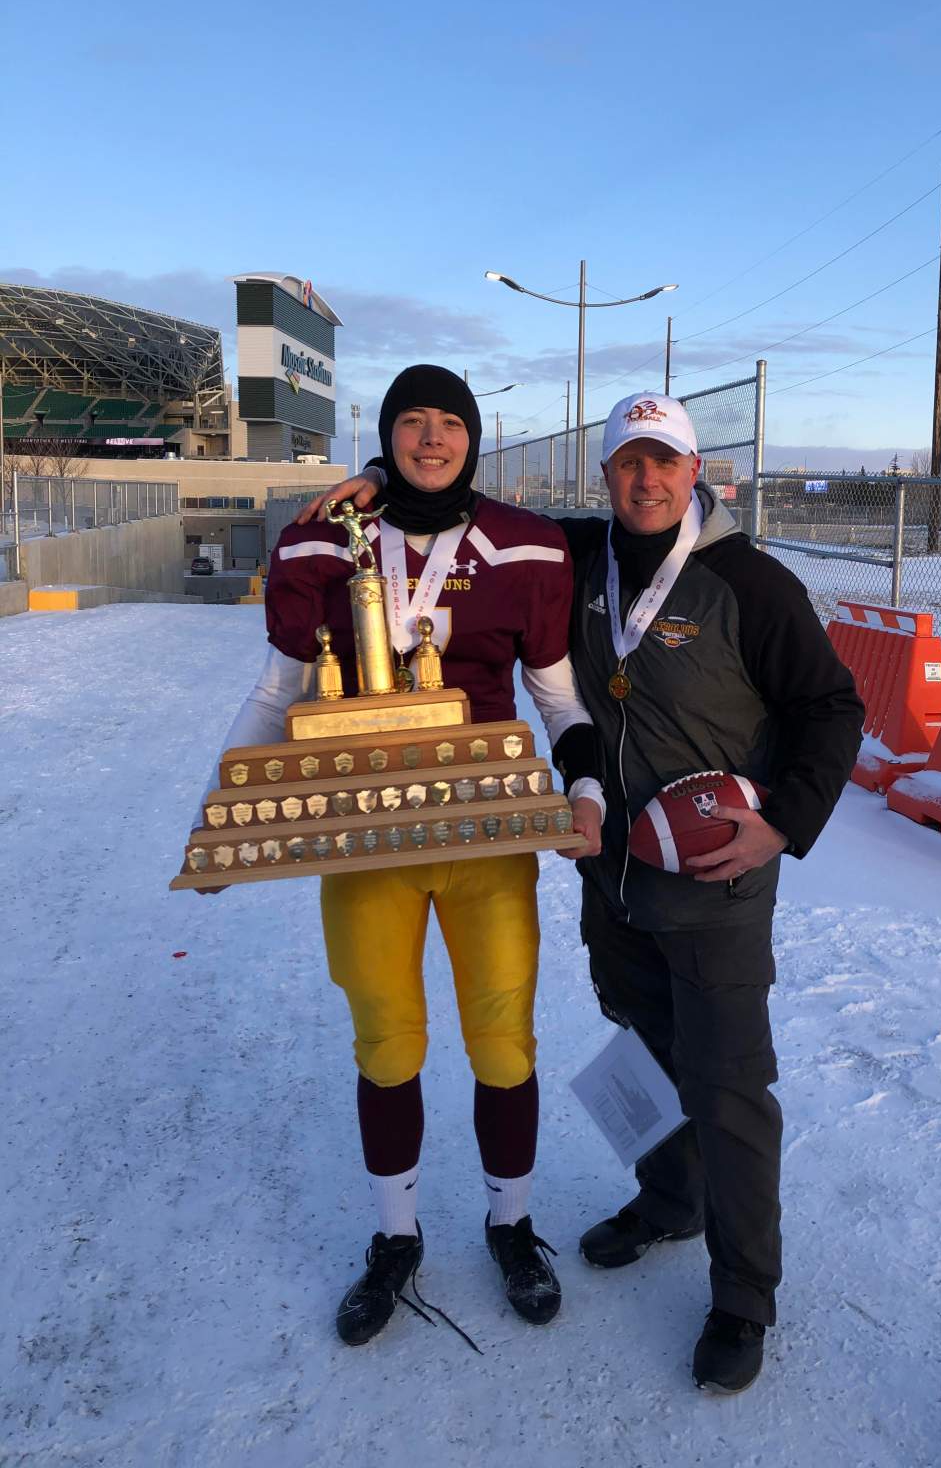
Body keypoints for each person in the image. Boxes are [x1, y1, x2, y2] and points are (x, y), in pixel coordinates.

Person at [309, 389, 863, 1392]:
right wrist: (387, 479)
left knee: (728, 1084)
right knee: (640, 1048)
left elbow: (832, 705)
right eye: (626, 463)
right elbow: (458, 503)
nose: (644, 480)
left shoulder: (751, 583)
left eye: (663, 461)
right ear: (605, 475)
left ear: (697, 472)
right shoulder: (575, 555)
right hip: (612, 876)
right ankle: (667, 1197)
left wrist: (784, 822)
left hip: (714, 880)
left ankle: (743, 1295)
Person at [197, 365, 602, 1347]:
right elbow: (278, 685)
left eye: (448, 422)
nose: (431, 439)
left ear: (473, 435)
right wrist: (222, 806)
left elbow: (556, 695)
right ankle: (397, 1236)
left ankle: (510, 1224)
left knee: (504, 1040)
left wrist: (584, 788)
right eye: (410, 423)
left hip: (487, 828)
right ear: (388, 434)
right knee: (388, 1041)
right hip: (366, 827)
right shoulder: (323, 537)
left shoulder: (528, 543)